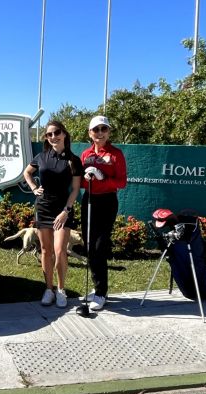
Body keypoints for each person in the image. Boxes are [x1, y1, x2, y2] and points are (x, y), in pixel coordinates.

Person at [23, 120, 82, 308]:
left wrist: (66, 211)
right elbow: (27, 172)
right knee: (46, 251)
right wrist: (33, 188)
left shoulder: (73, 160)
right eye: (49, 134)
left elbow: (75, 189)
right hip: (43, 209)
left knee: (60, 251)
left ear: (64, 134)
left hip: (62, 211)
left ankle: (61, 290)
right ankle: (48, 289)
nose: (53, 137)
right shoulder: (41, 156)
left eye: (56, 132)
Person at [79, 115, 127, 311]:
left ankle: (100, 293)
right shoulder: (85, 154)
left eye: (103, 129)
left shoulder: (116, 154)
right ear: (90, 133)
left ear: (108, 132)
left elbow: (122, 182)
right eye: (96, 129)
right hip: (88, 200)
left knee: (99, 247)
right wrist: (86, 178)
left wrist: (103, 177)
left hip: (107, 202)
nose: (100, 133)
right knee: (89, 247)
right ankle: (99, 287)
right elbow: (80, 183)